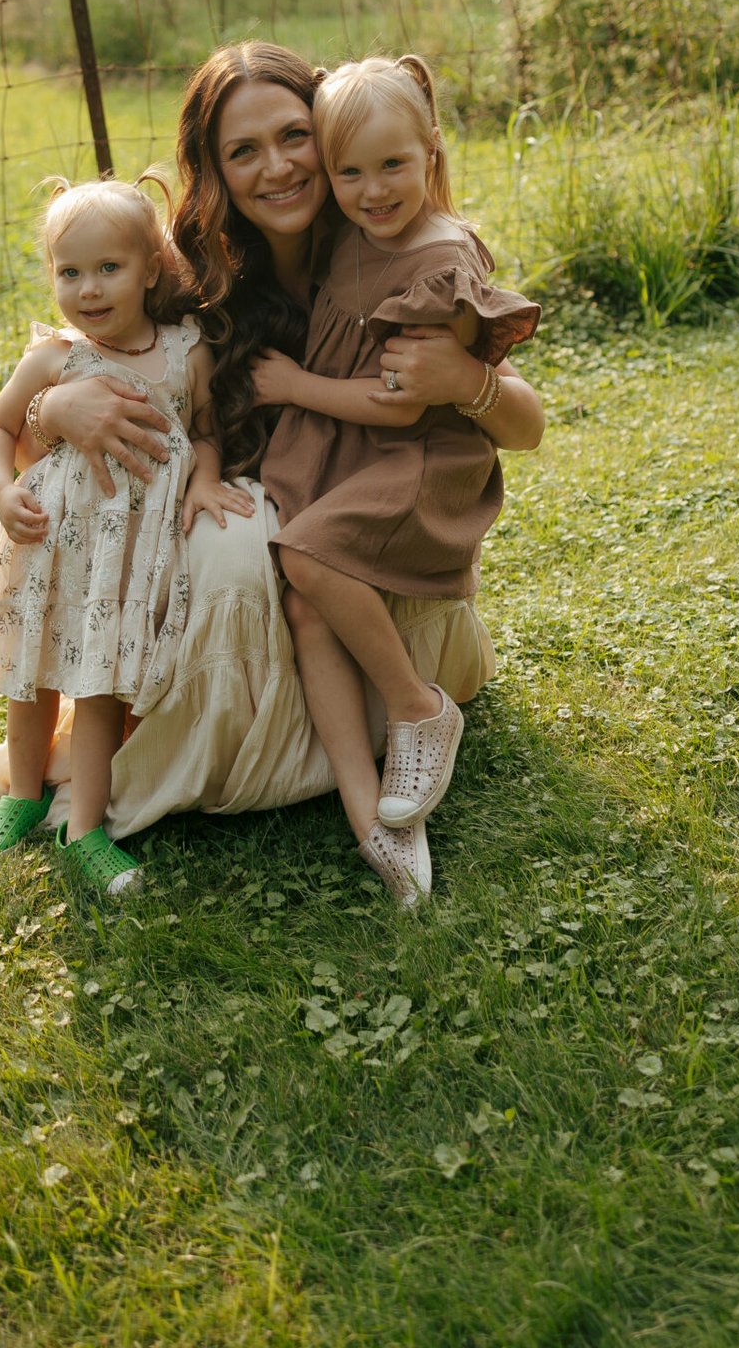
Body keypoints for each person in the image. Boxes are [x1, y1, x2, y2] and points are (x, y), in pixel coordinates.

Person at [0, 42, 545, 885]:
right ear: (216, 169)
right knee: (235, 554)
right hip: (243, 486)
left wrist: (467, 379)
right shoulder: (188, 272)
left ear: (329, 135)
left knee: (285, 559)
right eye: (244, 151)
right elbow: (69, 394)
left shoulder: (388, 232)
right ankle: (254, 762)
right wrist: (53, 410)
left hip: (355, 495)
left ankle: (392, 721)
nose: (276, 167)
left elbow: (525, 425)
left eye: (294, 136)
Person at [256, 56, 541, 905]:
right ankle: (375, 823)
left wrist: (293, 385)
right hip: (356, 452)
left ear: (431, 153)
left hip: (415, 459)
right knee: (306, 604)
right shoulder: (350, 232)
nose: (373, 190)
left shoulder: (438, 260)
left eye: (392, 165)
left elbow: (400, 402)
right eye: (349, 172)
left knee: (304, 556)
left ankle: (418, 708)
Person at [0, 179, 241, 897]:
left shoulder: (185, 354)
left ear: (151, 269)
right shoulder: (56, 359)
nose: (88, 289)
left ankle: (85, 828)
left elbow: (206, 432)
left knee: (102, 686)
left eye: (109, 268)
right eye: (69, 271)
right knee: (32, 677)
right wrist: (2, 490)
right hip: (49, 545)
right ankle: (21, 799)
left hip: (127, 560)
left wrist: (205, 479)